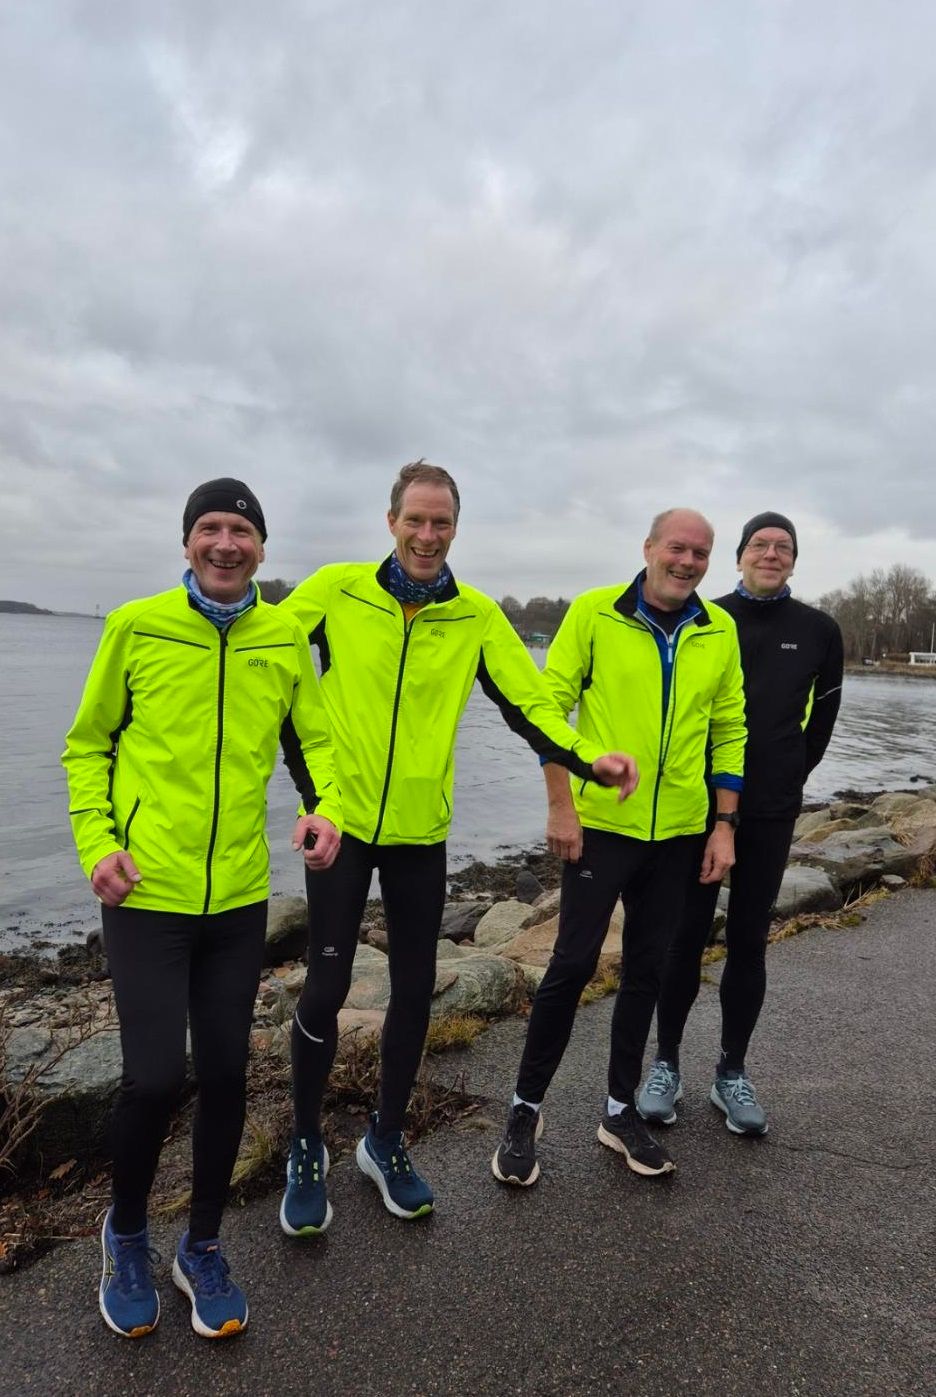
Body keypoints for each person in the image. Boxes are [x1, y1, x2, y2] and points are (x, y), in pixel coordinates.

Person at [277, 460, 638, 1231]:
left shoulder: (474, 615)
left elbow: (530, 701)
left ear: (455, 528)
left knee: (414, 989)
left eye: (441, 522)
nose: (428, 534)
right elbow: (264, 661)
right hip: (340, 825)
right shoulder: (337, 590)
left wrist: (586, 759)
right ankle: (305, 1144)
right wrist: (308, 790)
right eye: (415, 519)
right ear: (391, 521)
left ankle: (384, 1139)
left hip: (421, 832)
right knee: (326, 988)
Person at [62, 479, 342, 1340]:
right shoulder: (136, 625)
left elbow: (315, 741)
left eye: (242, 530)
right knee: (152, 1077)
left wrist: (325, 808)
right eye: (210, 528)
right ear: (187, 542)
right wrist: (96, 843)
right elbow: (88, 744)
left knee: (225, 1074)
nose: (226, 543)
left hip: (238, 896)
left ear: (262, 546)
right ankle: (127, 1234)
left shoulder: (284, 635)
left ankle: (203, 1245)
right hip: (147, 890)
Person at [492, 508, 746, 1186]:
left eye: (700, 553)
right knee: (571, 965)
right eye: (676, 548)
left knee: (646, 971)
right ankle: (524, 1109)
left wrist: (724, 823)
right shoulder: (595, 612)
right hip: (602, 826)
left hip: (680, 832)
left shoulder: (718, 628)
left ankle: (619, 1110)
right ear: (649, 547)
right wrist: (562, 804)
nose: (687, 562)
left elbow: (730, 727)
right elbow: (546, 709)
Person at [638, 511, 843, 1135]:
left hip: (771, 809)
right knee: (685, 938)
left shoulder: (819, 630)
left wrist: (787, 774)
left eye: (783, 546)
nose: (771, 554)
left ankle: (731, 1072)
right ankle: (665, 1064)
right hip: (696, 806)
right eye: (760, 544)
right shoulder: (706, 617)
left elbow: (822, 722)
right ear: (738, 556)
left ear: (794, 559)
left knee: (749, 941)